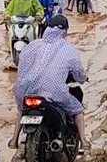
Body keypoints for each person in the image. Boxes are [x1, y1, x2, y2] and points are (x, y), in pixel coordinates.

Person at [10, 15, 90, 150]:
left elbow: (22, 65)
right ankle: (83, 141)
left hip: (25, 90)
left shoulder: (33, 45)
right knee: (77, 110)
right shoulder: (68, 49)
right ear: (65, 31)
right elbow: (78, 71)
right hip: (53, 93)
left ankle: (14, 140)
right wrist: (83, 78)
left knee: (21, 110)